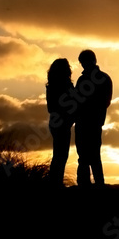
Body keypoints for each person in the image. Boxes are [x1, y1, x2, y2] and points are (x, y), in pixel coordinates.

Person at [74, 49, 113, 187]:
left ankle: (88, 184)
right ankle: (96, 183)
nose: (84, 65)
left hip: (88, 122)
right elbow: (106, 102)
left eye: (84, 62)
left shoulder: (85, 79)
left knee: (87, 155)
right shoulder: (104, 78)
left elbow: (76, 101)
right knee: (91, 155)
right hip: (93, 122)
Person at [45, 58, 74, 186]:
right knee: (61, 155)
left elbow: (50, 108)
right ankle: (56, 183)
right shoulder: (66, 84)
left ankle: (55, 182)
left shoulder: (51, 85)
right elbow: (75, 101)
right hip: (63, 122)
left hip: (55, 121)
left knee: (58, 154)